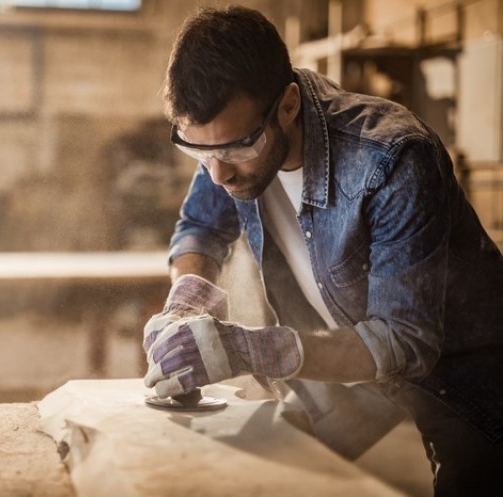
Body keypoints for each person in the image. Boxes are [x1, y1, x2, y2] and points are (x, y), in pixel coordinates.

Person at [141, 5, 503, 496]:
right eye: (200, 153)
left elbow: (406, 343)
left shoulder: (394, 160)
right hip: (349, 352)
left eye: (234, 152)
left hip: (462, 373)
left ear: (287, 106)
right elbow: (201, 227)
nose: (218, 175)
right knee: (255, 473)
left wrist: (250, 350)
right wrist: (188, 297)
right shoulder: (232, 137)